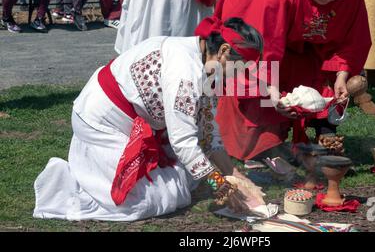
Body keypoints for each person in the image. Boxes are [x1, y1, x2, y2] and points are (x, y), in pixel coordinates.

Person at [33, 17, 265, 221]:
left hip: (130, 119)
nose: (240, 74)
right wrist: (221, 186)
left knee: (185, 178)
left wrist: (234, 175)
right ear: (224, 51)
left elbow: (208, 130)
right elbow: (184, 142)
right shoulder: (185, 73)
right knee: (150, 201)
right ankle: (62, 186)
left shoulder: (205, 61)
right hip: (102, 122)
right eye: (241, 67)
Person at [206, 0, 372, 161]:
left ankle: (324, 126)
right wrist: (274, 95)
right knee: (255, 88)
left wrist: (342, 76)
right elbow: (265, 47)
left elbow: (353, 37)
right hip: (255, 27)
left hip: (304, 39)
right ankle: (260, 143)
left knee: (321, 66)